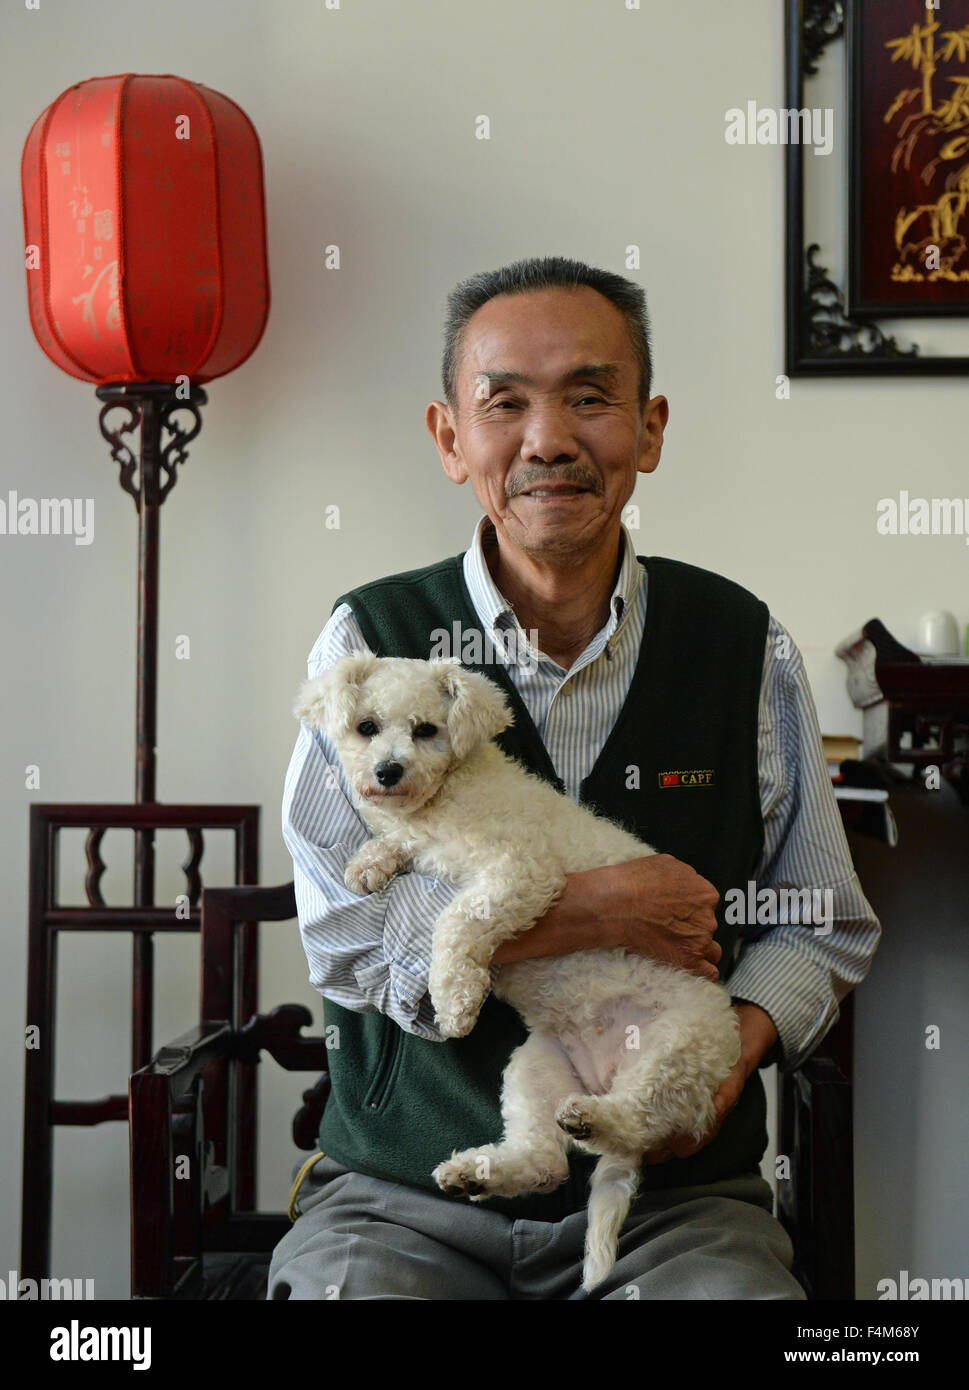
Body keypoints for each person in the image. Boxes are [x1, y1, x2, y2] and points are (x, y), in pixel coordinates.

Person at [267, 256, 880, 1300]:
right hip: (400, 1199)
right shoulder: (370, 645)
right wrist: (600, 905)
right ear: (450, 438)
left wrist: (722, 1061)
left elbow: (818, 915)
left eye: (590, 399)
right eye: (504, 404)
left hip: (672, 1208)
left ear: (649, 428)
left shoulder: (740, 642)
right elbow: (343, 930)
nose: (548, 440)